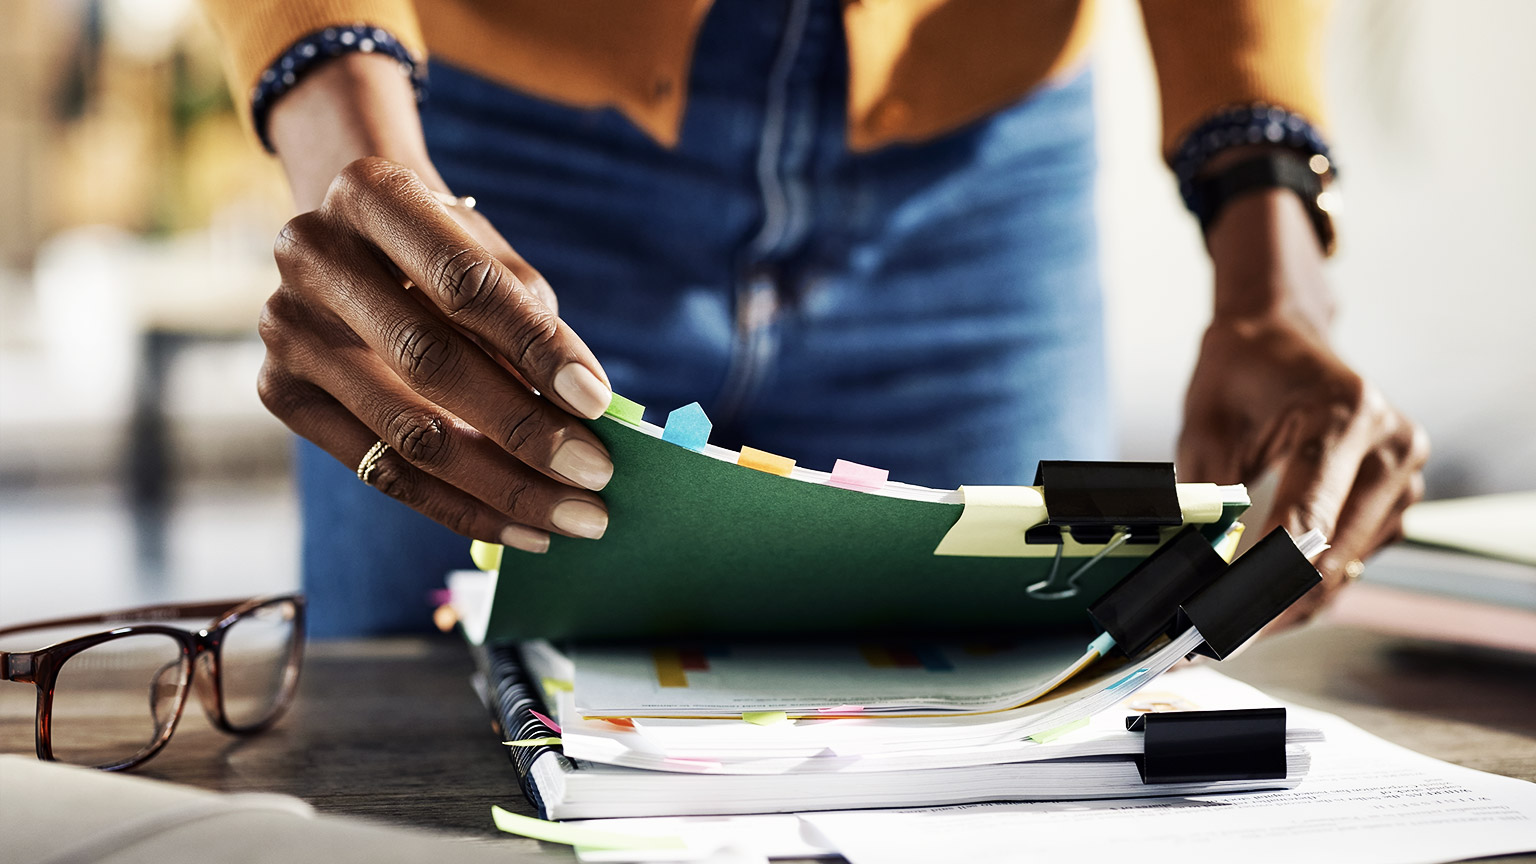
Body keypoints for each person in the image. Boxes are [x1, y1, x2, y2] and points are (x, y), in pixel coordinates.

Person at [200, 0, 1427, 637]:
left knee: (988, 759)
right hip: (493, 143)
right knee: (422, 773)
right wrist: (348, 145)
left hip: (974, 164)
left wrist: (1272, 267)